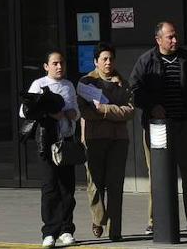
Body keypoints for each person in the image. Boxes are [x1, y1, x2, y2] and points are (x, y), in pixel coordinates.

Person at [129, 21, 187, 237]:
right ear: (158, 40)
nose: (175, 40)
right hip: (157, 128)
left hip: (183, 124)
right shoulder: (146, 60)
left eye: (175, 36)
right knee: (158, 174)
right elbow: (134, 90)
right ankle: (156, 222)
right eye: (170, 37)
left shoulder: (186, 59)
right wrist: (151, 106)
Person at [21, 51, 80, 248]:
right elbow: (24, 111)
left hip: (66, 140)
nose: (59, 66)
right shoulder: (39, 84)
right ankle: (49, 232)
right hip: (46, 142)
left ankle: (66, 229)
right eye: (55, 63)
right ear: (46, 66)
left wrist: (71, 114)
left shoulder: (69, 85)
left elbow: (75, 111)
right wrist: (47, 112)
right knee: (50, 187)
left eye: (62, 62)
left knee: (67, 187)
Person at [77, 42, 134, 241]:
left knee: (115, 184)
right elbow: (86, 112)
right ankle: (98, 218)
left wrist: (105, 110)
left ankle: (115, 230)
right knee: (95, 183)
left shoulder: (122, 82)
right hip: (95, 138)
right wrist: (110, 112)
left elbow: (129, 111)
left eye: (111, 58)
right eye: (104, 59)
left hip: (119, 140)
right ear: (96, 61)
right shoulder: (86, 82)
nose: (108, 62)